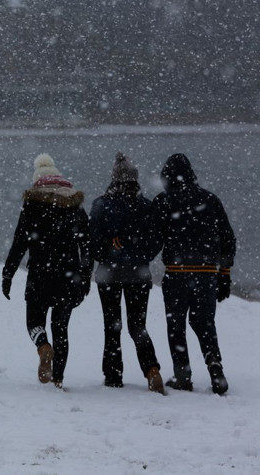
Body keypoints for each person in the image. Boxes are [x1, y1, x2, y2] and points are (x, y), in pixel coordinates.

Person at [2, 153, 91, 389]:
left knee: (34, 322)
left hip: (40, 274)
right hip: (68, 275)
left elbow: (19, 243)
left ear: (37, 180)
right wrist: (85, 277)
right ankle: (58, 380)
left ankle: (43, 346)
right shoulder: (74, 205)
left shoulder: (32, 205)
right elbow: (87, 246)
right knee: (61, 328)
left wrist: (8, 274)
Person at [150, 153, 236, 395]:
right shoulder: (210, 199)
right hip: (206, 274)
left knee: (176, 326)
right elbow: (228, 239)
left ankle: (183, 376)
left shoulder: (164, 201)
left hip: (176, 274)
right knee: (204, 323)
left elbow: (152, 240)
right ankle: (215, 365)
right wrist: (224, 274)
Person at [89, 153, 164, 394]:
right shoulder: (146, 206)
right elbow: (156, 240)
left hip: (108, 274)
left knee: (112, 326)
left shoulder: (101, 205)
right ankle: (151, 369)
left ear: (114, 178)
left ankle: (113, 375)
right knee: (138, 326)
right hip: (138, 274)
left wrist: (107, 249)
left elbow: (92, 242)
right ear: (135, 179)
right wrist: (141, 255)